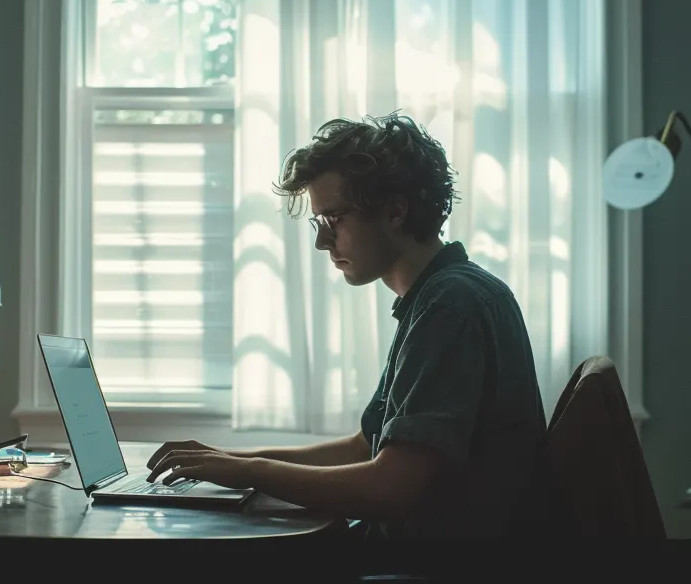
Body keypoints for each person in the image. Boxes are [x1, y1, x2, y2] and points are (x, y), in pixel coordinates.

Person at [146, 113, 551, 538]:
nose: (322, 242)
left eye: (333, 219)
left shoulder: (449, 306)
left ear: (395, 210)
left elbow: (391, 488)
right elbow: (364, 446)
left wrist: (249, 470)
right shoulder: (441, 295)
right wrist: (227, 461)